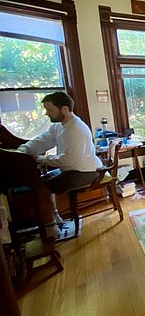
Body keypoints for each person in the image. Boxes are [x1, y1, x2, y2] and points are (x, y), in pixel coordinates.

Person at [17, 92, 102, 237]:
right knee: (42, 181)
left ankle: (51, 227)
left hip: (85, 172)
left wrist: (41, 159)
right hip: (73, 169)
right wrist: (23, 150)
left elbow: (68, 161)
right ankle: (55, 218)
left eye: (50, 110)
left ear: (64, 109)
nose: (46, 113)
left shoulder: (75, 129)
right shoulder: (60, 126)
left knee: (40, 187)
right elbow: (43, 140)